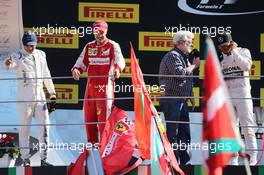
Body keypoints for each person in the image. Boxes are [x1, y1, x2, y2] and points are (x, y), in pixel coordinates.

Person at [3, 31, 56, 166]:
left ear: (36, 43)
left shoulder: (41, 54)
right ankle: (25, 159)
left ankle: (44, 159)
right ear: (23, 44)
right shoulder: (18, 55)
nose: (30, 48)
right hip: (24, 99)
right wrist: (8, 63)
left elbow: (46, 73)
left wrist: (53, 93)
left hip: (40, 97)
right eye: (28, 45)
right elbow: (9, 65)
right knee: (24, 129)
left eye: (32, 45)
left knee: (44, 128)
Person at [71, 20, 125, 144]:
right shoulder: (89, 46)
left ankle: (104, 152)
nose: (98, 34)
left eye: (101, 32)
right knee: (89, 122)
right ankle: (92, 153)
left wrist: (117, 69)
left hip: (105, 89)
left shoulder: (113, 45)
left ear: (106, 31)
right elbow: (80, 63)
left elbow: (120, 60)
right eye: (96, 31)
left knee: (103, 124)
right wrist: (76, 70)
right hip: (90, 90)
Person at [215, 33, 257, 165]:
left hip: (243, 93)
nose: (225, 49)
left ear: (232, 43)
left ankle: (251, 157)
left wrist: (234, 51)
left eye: (227, 46)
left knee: (247, 127)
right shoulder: (219, 57)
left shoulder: (244, 51)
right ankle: (233, 158)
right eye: (222, 47)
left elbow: (246, 66)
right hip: (228, 95)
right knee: (231, 128)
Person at [159, 30, 200, 164]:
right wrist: (194, 65)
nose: (192, 45)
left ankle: (184, 161)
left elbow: (187, 80)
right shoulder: (173, 55)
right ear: (181, 43)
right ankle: (173, 161)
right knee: (173, 132)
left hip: (181, 99)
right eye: (190, 42)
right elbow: (180, 73)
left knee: (184, 132)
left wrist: (191, 95)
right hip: (172, 99)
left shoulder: (183, 57)